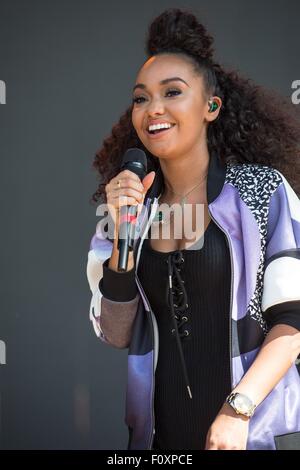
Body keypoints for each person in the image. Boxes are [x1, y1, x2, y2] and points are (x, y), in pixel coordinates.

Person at [87, 8, 300, 450]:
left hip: (240, 434)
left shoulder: (260, 193)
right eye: (141, 98)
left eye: (172, 92)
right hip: (156, 440)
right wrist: (123, 233)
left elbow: (294, 318)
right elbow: (116, 332)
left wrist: (237, 410)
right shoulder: (129, 207)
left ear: (211, 106)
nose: (154, 109)